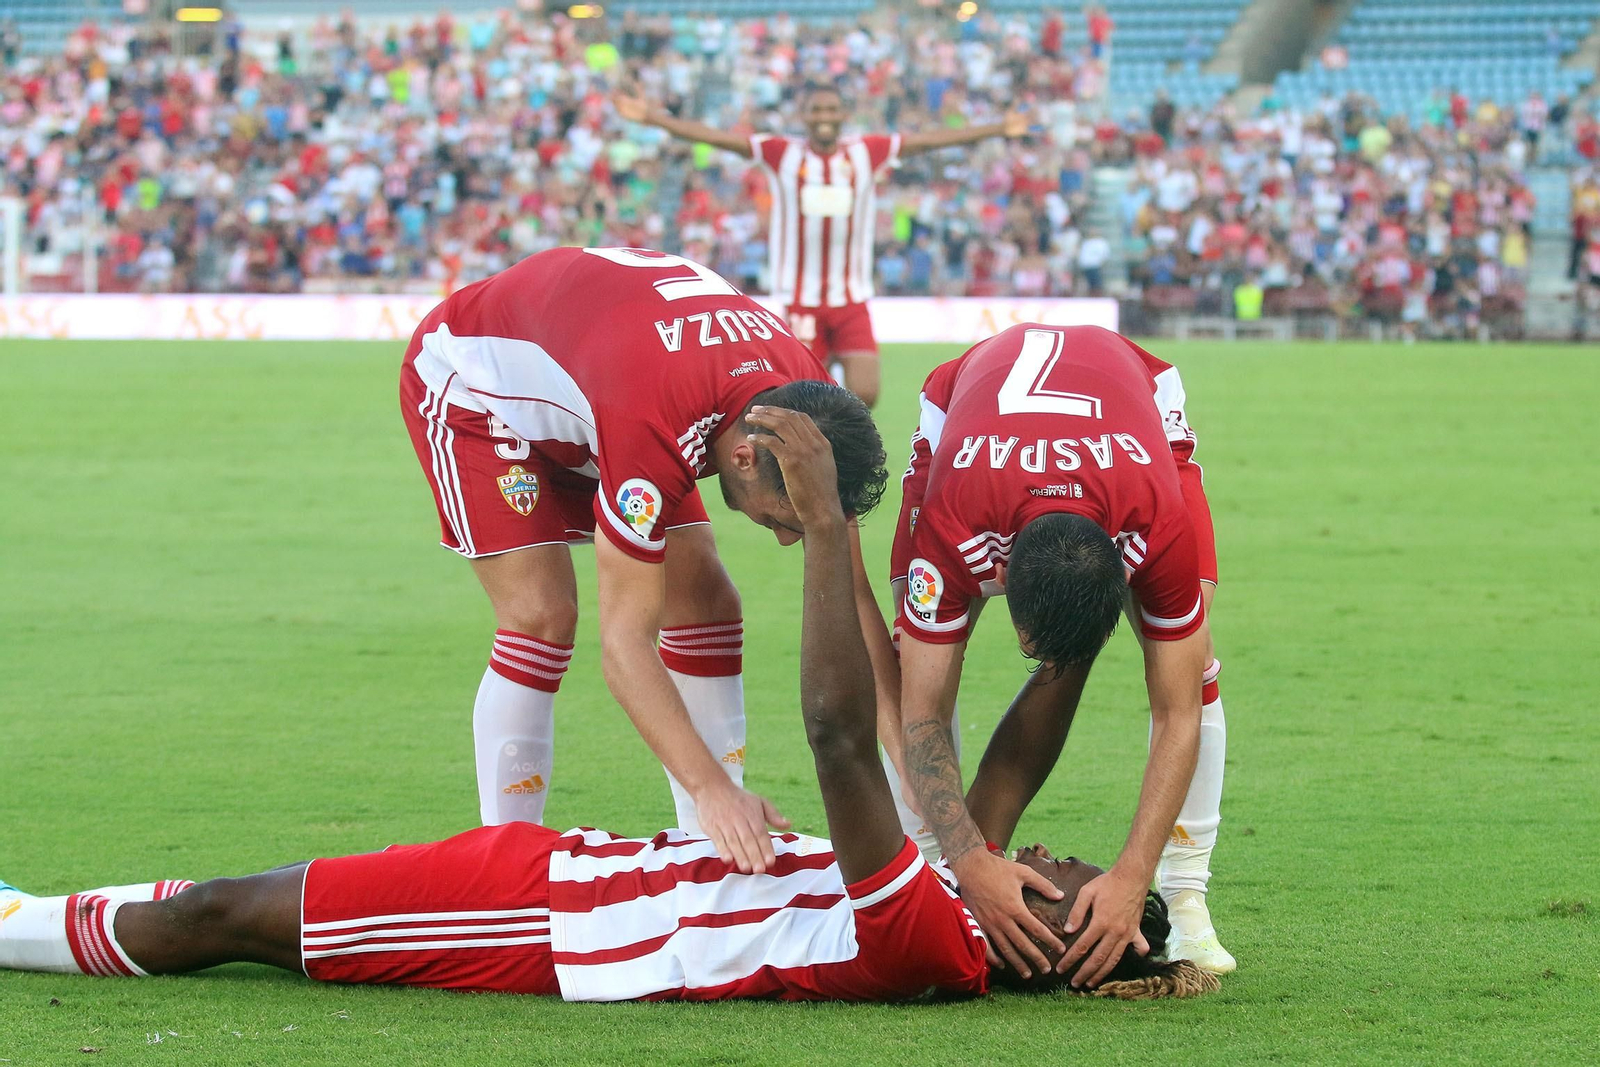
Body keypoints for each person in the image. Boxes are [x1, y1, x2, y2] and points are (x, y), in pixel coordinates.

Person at [0, 418, 1217, 1003]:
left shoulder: (934, 942)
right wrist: (1066, 650)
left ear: (1061, 942)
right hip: (568, 867)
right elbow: (1003, 742)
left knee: (231, 912)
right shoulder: (968, 886)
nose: (1055, 855)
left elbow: (848, 737)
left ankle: (20, 926)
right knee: (249, 902)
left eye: (1073, 885)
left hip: (546, 928)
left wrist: (830, 526)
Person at [399, 245, 893, 877]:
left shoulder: (805, 407)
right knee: (543, 616)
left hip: (612, 378)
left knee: (709, 599)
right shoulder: (654, 422)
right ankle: (505, 863)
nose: (785, 540)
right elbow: (624, 644)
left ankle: (710, 852)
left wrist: (926, 814)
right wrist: (712, 786)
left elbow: (855, 602)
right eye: (781, 520)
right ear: (743, 457)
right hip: (474, 386)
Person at [884, 324, 1237, 987]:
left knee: (1193, 655)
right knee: (912, 655)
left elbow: (1176, 712)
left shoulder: (1155, 528)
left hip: (1138, 413)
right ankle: (932, 868)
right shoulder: (954, 534)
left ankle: (1188, 895)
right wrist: (964, 857)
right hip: (965, 414)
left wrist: (1135, 875)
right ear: (998, 583)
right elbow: (921, 713)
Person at [614, 84, 1028, 407]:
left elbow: (929, 141)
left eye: (831, 110)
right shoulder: (781, 153)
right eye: (817, 111)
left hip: (850, 298)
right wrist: (653, 117)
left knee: (866, 391)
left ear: (843, 115)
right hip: (802, 299)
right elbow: (720, 138)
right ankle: (816, 459)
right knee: (802, 394)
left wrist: (997, 128)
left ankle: (835, 434)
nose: (824, 117)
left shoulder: (867, 152)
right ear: (805, 117)